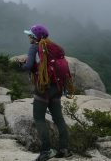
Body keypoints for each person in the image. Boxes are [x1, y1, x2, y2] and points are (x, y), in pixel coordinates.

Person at [19, 24, 72, 160]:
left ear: (35, 37)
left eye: (29, 35)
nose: (28, 37)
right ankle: (64, 149)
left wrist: (21, 65)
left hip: (43, 87)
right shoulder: (52, 47)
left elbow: (28, 66)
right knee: (58, 119)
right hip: (57, 87)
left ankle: (46, 151)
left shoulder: (34, 47)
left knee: (39, 118)